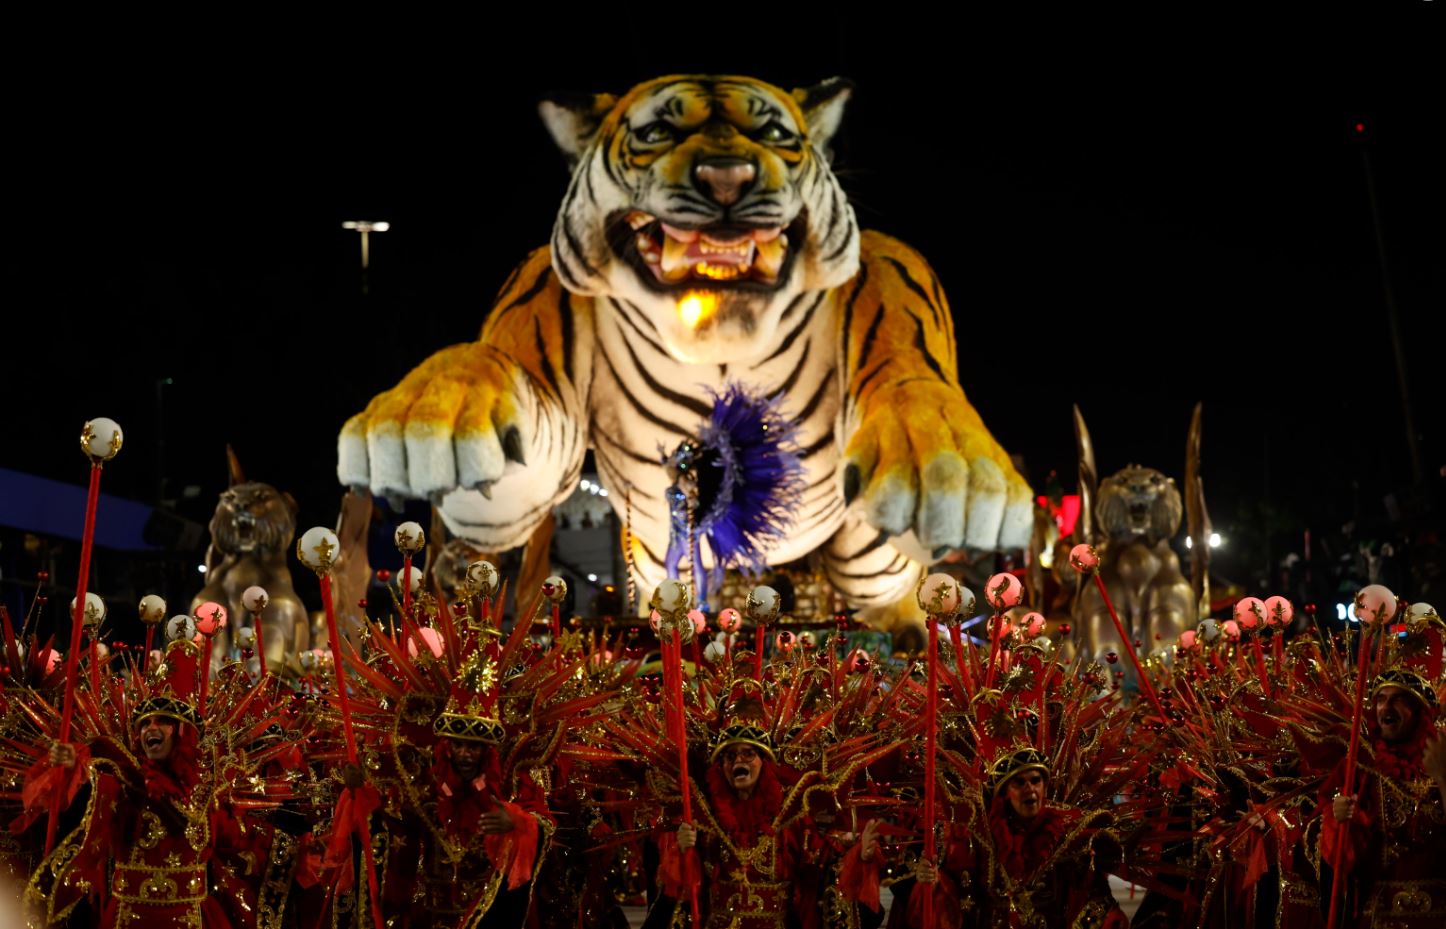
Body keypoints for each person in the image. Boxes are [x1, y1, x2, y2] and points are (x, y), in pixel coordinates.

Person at [24, 638, 268, 928]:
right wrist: (73, 765)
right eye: (145, 724)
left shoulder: (209, 790)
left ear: (182, 732)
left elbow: (239, 843)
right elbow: (93, 790)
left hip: (195, 918)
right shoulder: (123, 783)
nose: (151, 729)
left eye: (162, 722)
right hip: (128, 918)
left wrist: (299, 846)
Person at [1319, 669, 1446, 927]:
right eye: (1380, 699)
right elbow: (1332, 853)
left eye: (1398, 699)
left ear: (1420, 713)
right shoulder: (1360, 766)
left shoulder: (1441, 760)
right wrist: (1337, 819)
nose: (1385, 706)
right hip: (1379, 916)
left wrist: (1443, 778)